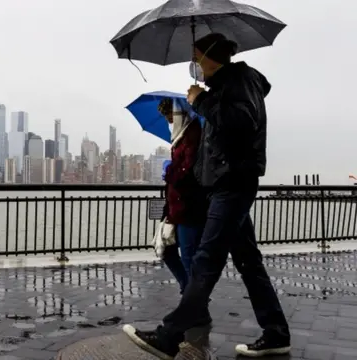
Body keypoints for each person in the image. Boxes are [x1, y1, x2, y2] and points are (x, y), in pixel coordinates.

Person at [123, 33, 291, 359]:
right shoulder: (226, 87)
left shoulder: (239, 80)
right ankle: (276, 333)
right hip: (226, 185)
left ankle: (169, 336)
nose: (194, 63)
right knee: (248, 263)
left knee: (205, 262)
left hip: (233, 184)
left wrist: (201, 100)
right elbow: (217, 139)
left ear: (209, 57)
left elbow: (241, 122)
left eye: (196, 56)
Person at [155, 98, 206, 295]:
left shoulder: (193, 134)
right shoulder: (180, 137)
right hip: (176, 206)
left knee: (188, 257)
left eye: (170, 117)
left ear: (179, 114)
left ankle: (194, 302)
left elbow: (188, 170)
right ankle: (189, 292)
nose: (169, 122)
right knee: (168, 250)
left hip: (189, 207)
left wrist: (170, 172)